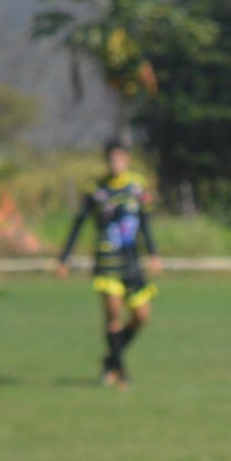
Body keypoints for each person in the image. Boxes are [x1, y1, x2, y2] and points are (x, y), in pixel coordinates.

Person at [54, 141, 162, 388]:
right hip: (107, 262)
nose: (116, 164)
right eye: (112, 159)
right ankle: (121, 372)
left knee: (142, 316)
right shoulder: (96, 190)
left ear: (127, 160)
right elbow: (78, 224)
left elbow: (144, 221)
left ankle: (110, 359)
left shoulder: (137, 186)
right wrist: (64, 258)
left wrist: (154, 253)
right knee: (113, 315)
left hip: (132, 262)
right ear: (107, 161)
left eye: (120, 159)